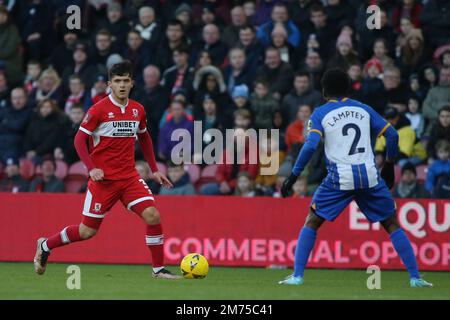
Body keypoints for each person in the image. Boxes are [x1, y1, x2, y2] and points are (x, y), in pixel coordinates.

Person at [279, 68, 432, 287]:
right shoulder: (364, 109)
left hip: (339, 179)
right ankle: (415, 278)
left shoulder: (320, 113)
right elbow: (392, 134)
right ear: (348, 88)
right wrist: (389, 165)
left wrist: (293, 176)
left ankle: (297, 276)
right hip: (369, 176)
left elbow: (311, 145)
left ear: (324, 91)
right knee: (391, 223)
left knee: (312, 221)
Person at [33, 61, 180, 280]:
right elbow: (79, 140)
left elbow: (145, 137)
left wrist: (154, 169)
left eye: (126, 81)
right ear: (110, 84)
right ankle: (45, 245)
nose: (122, 85)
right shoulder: (98, 109)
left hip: (129, 177)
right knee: (87, 232)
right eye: (117, 81)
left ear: (132, 83)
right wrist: (91, 169)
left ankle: (158, 270)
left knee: (152, 215)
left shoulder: (137, 109)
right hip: (104, 181)